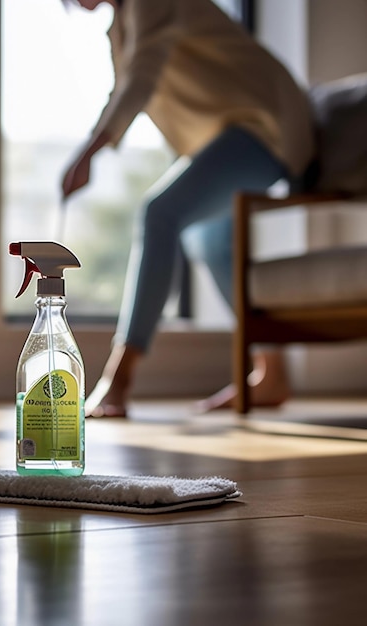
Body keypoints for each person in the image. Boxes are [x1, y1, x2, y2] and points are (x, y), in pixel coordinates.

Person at [60, 0, 316, 417]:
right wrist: (91, 147)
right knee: (211, 244)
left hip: (265, 126)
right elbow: (124, 88)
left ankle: (119, 379)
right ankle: (272, 374)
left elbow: (141, 79)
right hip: (225, 135)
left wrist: (90, 152)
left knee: (159, 213)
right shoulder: (120, 27)